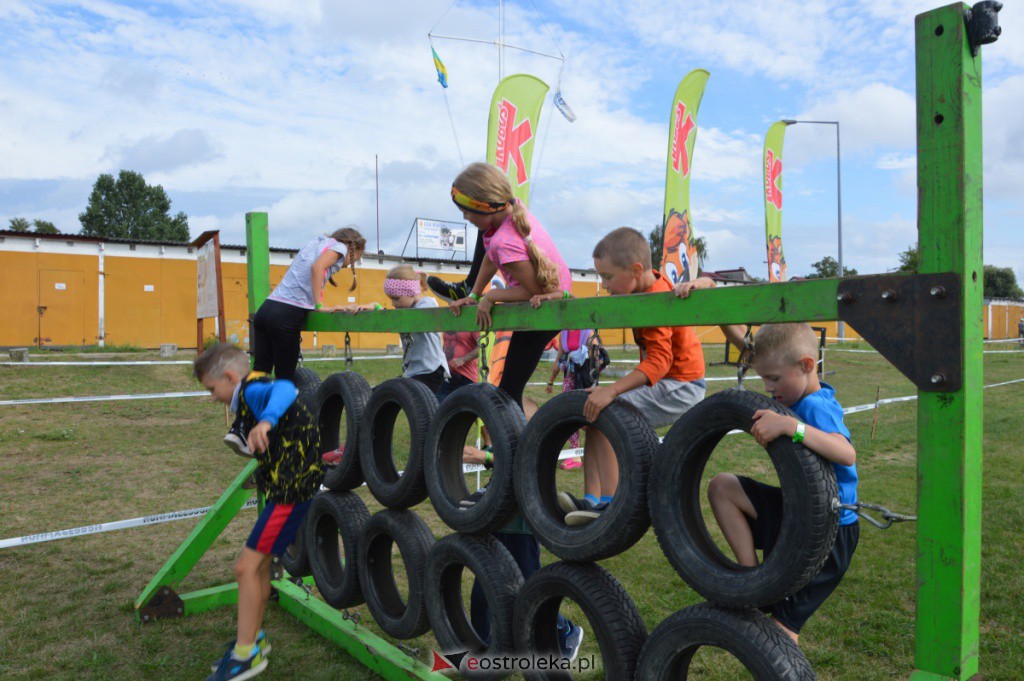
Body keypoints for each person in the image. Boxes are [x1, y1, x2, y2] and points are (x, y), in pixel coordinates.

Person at [535, 227, 709, 524]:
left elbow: (660, 362)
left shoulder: (656, 298)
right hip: (668, 382)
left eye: (608, 277)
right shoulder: (640, 288)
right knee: (593, 412)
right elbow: (594, 308)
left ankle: (612, 502)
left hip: (681, 386)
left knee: (607, 408)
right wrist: (562, 296)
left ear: (636, 270)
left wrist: (613, 390)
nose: (604, 285)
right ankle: (591, 498)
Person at [707, 322, 859, 645]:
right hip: (796, 509)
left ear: (806, 365)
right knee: (722, 487)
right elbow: (753, 352)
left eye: (774, 379)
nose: (768, 387)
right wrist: (722, 319)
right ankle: (752, 584)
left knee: (781, 631)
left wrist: (793, 427)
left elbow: (846, 453)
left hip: (829, 531)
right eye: (764, 378)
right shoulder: (791, 388)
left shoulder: (817, 406)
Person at [194, 343, 323, 680]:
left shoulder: (253, 388)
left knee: (244, 569)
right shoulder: (249, 394)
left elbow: (286, 387)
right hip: (287, 489)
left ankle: (246, 654)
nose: (212, 398)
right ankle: (253, 639)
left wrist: (265, 421)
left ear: (230, 376)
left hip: (290, 494)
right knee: (260, 568)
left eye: (212, 389)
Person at [224, 227, 365, 456]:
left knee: (259, 371)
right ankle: (271, 435)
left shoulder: (316, 242)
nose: (348, 265)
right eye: (352, 260)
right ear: (352, 246)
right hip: (286, 316)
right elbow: (317, 268)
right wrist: (319, 306)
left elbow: (309, 271)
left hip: (267, 310)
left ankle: (239, 427)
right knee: (285, 382)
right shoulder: (339, 247)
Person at [447, 161, 572, 410]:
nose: (464, 217)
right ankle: (516, 439)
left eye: (467, 212)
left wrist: (492, 296)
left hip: (546, 311)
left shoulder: (505, 240)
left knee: (508, 391)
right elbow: (489, 257)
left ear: (485, 207)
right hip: (550, 299)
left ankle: (516, 444)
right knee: (509, 389)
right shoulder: (511, 208)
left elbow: (535, 291)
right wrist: (473, 293)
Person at [342, 265, 449, 393]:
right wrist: (373, 308)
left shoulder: (427, 303)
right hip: (414, 372)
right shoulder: (405, 310)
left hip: (431, 372)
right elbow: (395, 319)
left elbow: (412, 319)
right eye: (391, 299)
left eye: (396, 298)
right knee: (378, 392)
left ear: (412, 292)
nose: (393, 303)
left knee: (390, 392)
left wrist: (380, 309)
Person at [545, 329, 610, 470]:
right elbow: (559, 358)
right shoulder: (564, 333)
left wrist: (590, 361)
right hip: (569, 377)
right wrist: (550, 381)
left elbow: (598, 361)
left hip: (585, 380)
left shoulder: (588, 333)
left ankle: (603, 445)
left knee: (588, 415)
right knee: (569, 413)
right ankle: (575, 455)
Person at [436, 330, 479, 402]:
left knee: (463, 410)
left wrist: (463, 359)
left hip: (466, 376)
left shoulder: (471, 321)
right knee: (440, 408)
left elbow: (481, 347)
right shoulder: (448, 322)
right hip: (447, 375)